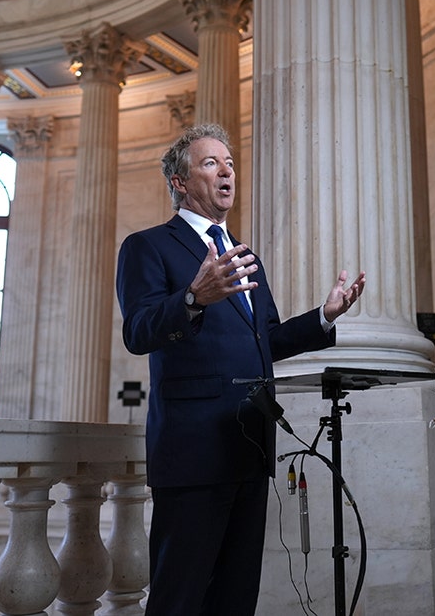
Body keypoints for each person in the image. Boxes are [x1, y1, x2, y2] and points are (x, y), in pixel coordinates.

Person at [116, 123, 365, 616]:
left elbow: (265, 340)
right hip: (192, 451)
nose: (226, 171)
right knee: (178, 598)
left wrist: (323, 316)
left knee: (234, 598)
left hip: (249, 444)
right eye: (210, 163)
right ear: (179, 182)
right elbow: (138, 332)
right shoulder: (148, 246)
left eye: (229, 163)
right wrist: (192, 298)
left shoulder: (244, 256)